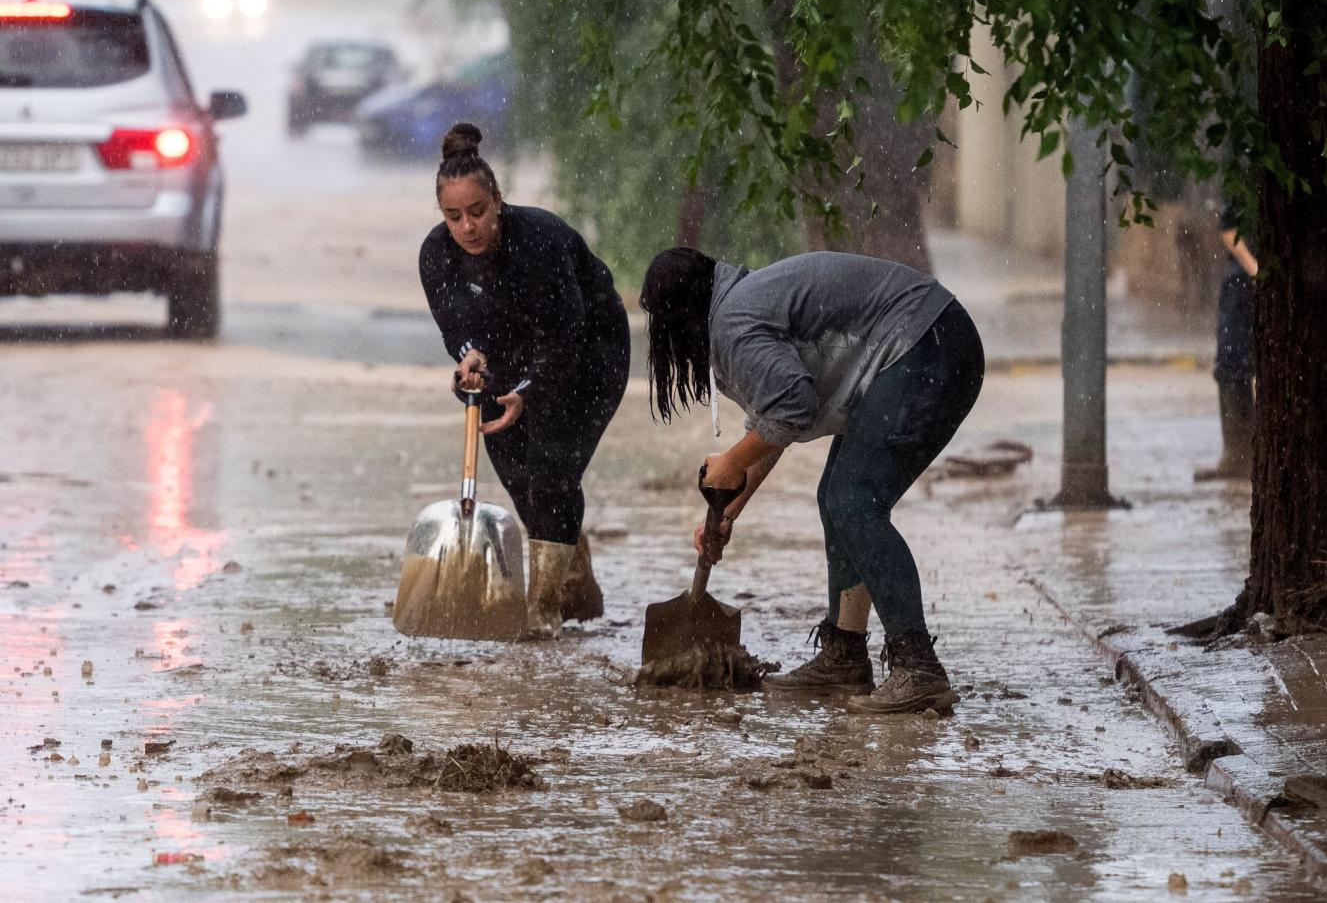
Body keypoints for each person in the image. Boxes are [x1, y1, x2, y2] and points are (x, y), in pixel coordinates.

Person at [640, 247, 984, 714]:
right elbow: (774, 421)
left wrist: (731, 460)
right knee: (836, 497)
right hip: (925, 344)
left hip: (928, 345)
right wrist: (732, 505)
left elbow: (793, 407)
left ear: (679, 316)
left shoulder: (734, 322)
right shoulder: (741, 307)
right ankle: (844, 655)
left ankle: (919, 667)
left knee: (853, 499)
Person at [418, 123, 629, 637]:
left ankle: (543, 613)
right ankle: (576, 579)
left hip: (589, 354)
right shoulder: (436, 256)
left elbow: (565, 337)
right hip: (507, 362)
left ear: (499, 201)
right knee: (521, 481)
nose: (467, 227)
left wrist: (528, 393)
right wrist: (471, 360)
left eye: (478, 212)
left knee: (552, 473)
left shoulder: (542, 242)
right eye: (454, 217)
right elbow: (459, 331)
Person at [1197, 203, 1257, 480]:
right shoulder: (1245, 166)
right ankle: (1238, 455)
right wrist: (1254, 269)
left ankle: (1247, 454)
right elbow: (1228, 227)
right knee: (1233, 362)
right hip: (1244, 280)